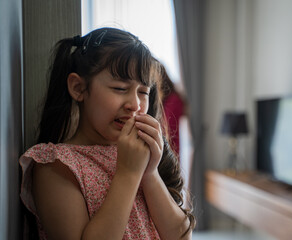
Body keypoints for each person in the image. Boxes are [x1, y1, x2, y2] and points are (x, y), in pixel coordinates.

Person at [19, 27, 195, 240]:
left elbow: (181, 236)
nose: (135, 105)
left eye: (143, 92)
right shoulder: (56, 165)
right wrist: (129, 173)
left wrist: (149, 172)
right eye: (120, 88)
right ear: (78, 88)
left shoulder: (141, 157)